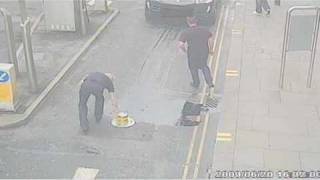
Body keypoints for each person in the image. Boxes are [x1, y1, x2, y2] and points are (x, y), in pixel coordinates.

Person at [178, 16, 214, 89]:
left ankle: (196, 83)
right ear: (196, 22)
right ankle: (210, 82)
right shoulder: (204, 30)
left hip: (192, 52)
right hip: (204, 51)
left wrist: (185, 50)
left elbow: (181, 44)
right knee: (204, 66)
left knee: (193, 68)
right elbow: (210, 39)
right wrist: (210, 49)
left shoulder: (186, 32)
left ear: (188, 23)